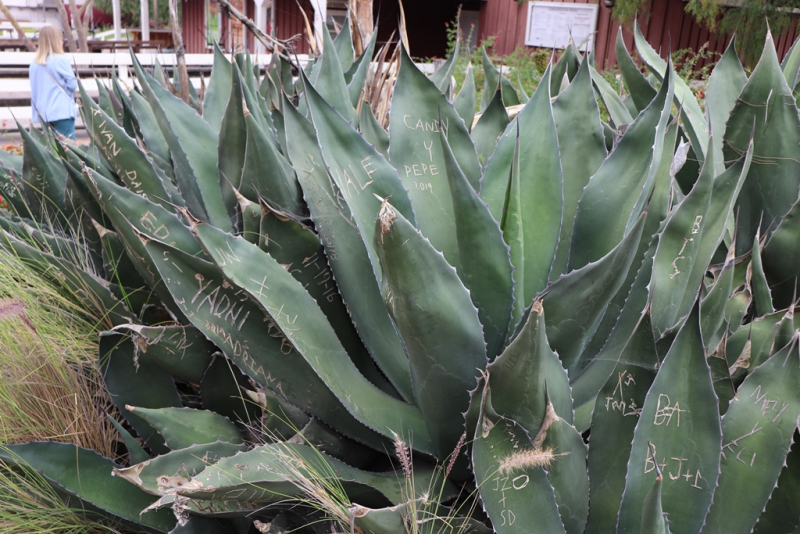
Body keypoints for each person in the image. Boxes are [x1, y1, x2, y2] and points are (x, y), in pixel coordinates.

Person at [29, 26, 78, 140]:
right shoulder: (60, 60)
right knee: (69, 151)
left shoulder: (34, 64)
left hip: (43, 114)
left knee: (52, 150)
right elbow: (73, 85)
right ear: (55, 40)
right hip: (62, 111)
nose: (62, 41)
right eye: (60, 39)